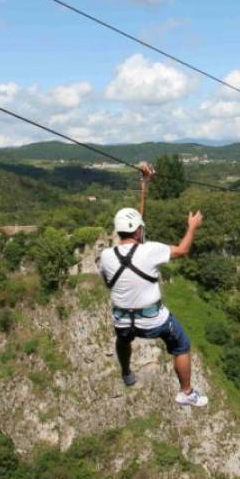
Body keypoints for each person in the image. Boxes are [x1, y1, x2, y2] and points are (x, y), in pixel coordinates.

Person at [98, 162, 207, 407]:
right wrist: (192, 227)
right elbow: (182, 250)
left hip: (123, 320)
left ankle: (126, 371)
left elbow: (109, 281)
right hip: (153, 321)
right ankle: (186, 392)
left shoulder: (106, 256)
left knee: (122, 338)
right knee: (181, 343)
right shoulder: (150, 251)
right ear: (138, 231)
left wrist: (143, 186)